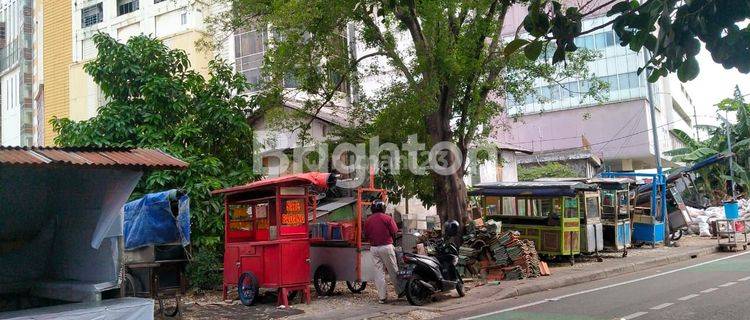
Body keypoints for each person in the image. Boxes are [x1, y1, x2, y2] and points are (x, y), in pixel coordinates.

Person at [364, 199, 399, 304]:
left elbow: (365, 235)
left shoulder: (368, 220)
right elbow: (395, 232)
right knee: (393, 270)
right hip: (387, 246)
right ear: (383, 208)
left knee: (379, 272)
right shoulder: (387, 218)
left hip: (374, 248)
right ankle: (400, 291)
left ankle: (382, 297)